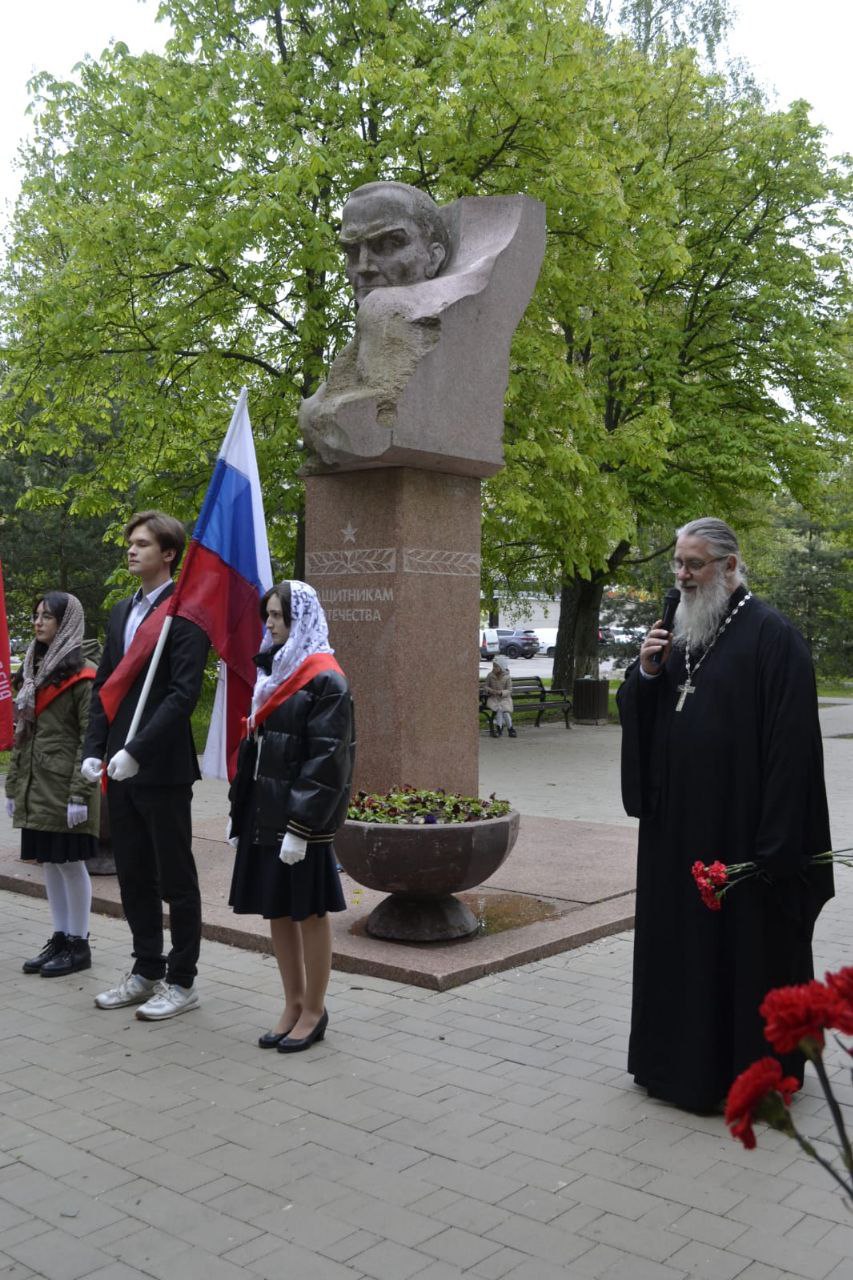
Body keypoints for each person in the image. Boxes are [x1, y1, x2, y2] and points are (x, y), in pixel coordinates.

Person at [617, 517, 834, 1113]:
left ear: (730, 566)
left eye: (694, 564)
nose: (682, 576)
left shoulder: (774, 638)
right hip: (675, 834)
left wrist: (775, 847)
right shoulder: (679, 632)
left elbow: (793, 751)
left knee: (740, 957)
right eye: (678, 564)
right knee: (679, 949)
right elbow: (646, 710)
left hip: (740, 835)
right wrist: (647, 674)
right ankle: (672, 1066)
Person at [81, 511, 209, 1020]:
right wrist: (95, 748)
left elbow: (182, 695)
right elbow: (105, 686)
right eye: (130, 543)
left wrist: (138, 750)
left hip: (162, 767)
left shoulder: (188, 614)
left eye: (142, 544)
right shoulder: (120, 612)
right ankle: (146, 970)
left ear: (169, 553)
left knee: (175, 878)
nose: (131, 551)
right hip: (117, 764)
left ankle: (182, 981)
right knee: (134, 875)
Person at [228, 580, 355, 1053]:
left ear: (301, 619)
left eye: (279, 615)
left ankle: (315, 1010)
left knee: (309, 913)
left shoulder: (326, 680)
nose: (271, 623)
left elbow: (328, 761)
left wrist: (301, 827)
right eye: (269, 615)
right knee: (278, 909)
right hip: (266, 811)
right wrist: (239, 810)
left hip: (303, 823)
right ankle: (292, 1002)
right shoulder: (274, 671)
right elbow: (257, 748)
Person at [6, 593, 100, 976]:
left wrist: (81, 792)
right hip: (37, 785)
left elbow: (90, 738)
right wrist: (14, 787)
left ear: (67, 622)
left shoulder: (84, 674)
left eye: (47, 616)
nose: (38, 622)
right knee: (49, 863)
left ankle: (79, 943)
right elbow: (23, 735)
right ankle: (60, 937)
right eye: (36, 615)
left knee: (71, 863)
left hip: (66, 788)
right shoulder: (34, 669)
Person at [484, 654, 516, 738]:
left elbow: (509, 690)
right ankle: (509, 729)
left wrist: (501, 692)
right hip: (493, 698)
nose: (494, 668)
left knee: (503, 710)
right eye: (493, 666)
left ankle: (503, 729)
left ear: (501, 667)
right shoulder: (490, 675)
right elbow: (486, 686)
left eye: (496, 666)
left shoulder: (507, 677)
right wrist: (491, 690)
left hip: (505, 699)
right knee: (500, 709)